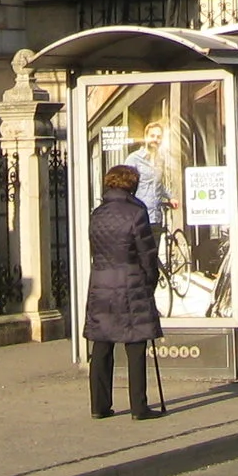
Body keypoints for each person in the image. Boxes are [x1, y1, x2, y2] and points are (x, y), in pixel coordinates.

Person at [84, 163, 162, 420]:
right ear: (132, 185)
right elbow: (147, 254)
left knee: (102, 344)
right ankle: (139, 407)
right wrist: (151, 280)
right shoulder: (136, 213)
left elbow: (96, 249)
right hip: (131, 282)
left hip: (102, 283)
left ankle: (99, 405)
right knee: (135, 343)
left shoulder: (98, 214)